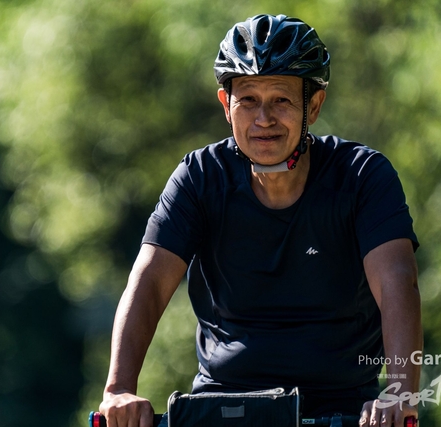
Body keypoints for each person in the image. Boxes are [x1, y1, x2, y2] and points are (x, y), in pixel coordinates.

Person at [99, 14, 422, 427]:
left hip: (340, 408)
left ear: (313, 106)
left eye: (281, 100)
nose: (263, 118)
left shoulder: (362, 177)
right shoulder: (200, 178)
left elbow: (397, 282)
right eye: (248, 100)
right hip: (223, 404)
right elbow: (149, 282)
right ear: (226, 105)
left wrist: (400, 392)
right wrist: (118, 389)